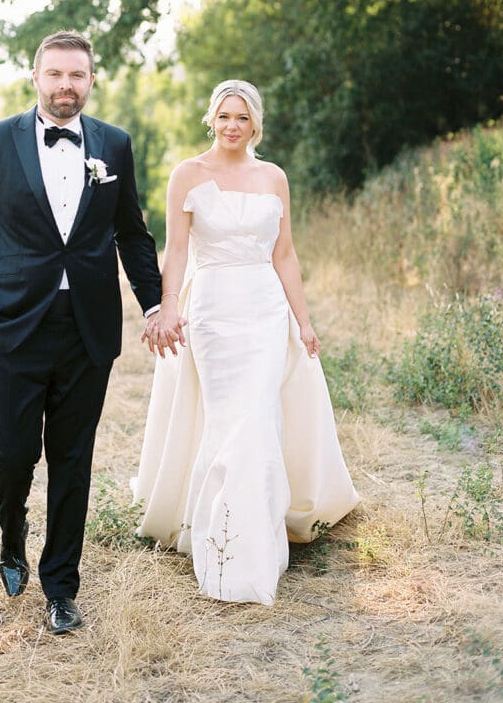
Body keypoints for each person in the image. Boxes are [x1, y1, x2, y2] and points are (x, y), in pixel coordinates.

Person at [0, 30, 177, 635]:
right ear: (36, 77)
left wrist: (154, 304)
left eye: (76, 75)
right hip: (11, 326)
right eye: (54, 74)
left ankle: (60, 587)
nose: (65, 86)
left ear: (91, 80)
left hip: (87, 328)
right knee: (11, 455)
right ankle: (12, 535)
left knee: (72, 460)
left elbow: (132, 233)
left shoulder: (115, 144)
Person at [135, 79, 359, 605]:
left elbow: (284, 254)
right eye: (224, 116)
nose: (232, 126)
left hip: (264, 312)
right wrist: (169, 307)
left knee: (258, 420)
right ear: (211, 119)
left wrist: (303, 321)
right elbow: (177, 251)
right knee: (227, 422)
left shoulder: (273, 177)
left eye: (242, 117)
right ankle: (220, 541)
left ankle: (257, 542)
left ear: (255, 123)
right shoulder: (187, 174)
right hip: (213, 312)